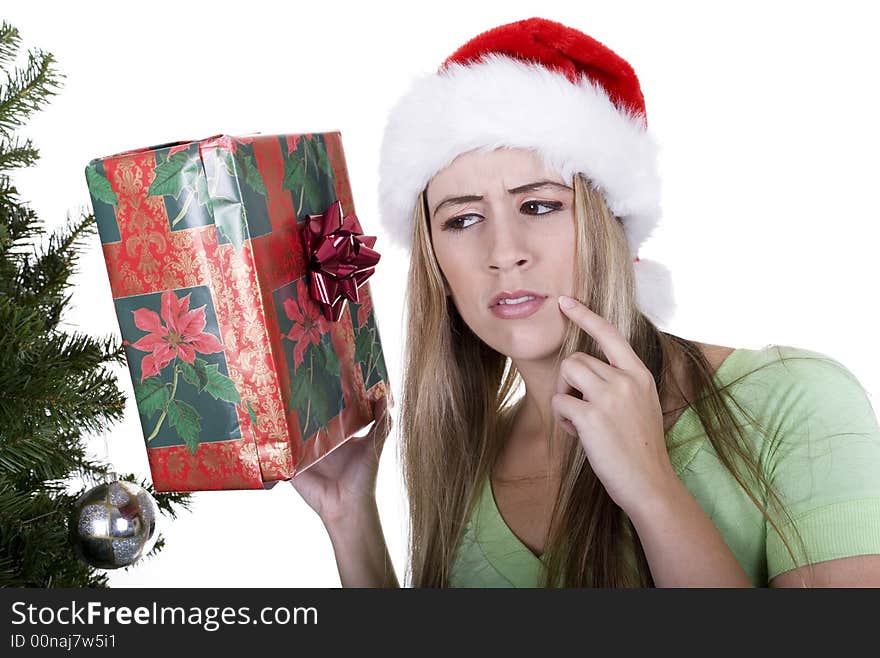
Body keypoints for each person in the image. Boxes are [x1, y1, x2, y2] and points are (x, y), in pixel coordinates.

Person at [289, 17, 880, 587]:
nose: (504, 252)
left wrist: (651, 487)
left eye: (540, 205)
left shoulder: (795, 403)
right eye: (463, 219)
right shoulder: (467, 462)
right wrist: (350, 519)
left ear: (609, 222)